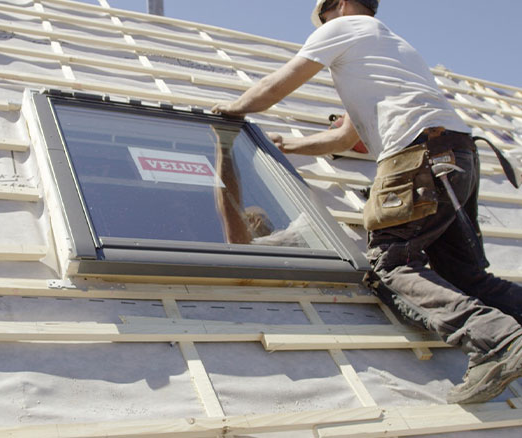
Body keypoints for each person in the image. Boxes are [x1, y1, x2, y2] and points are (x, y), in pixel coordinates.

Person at [212, 0, 522, 404]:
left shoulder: (343, 28)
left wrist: (231, 111)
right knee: (461, 271)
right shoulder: (388, 49)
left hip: (415, 156)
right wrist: (290, 145)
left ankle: (496, 341)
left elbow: (278, 84)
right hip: (457, 155)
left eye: (322, 17)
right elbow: (344, 138)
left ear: (337, 5)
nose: (321, 25)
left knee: (390, 264)